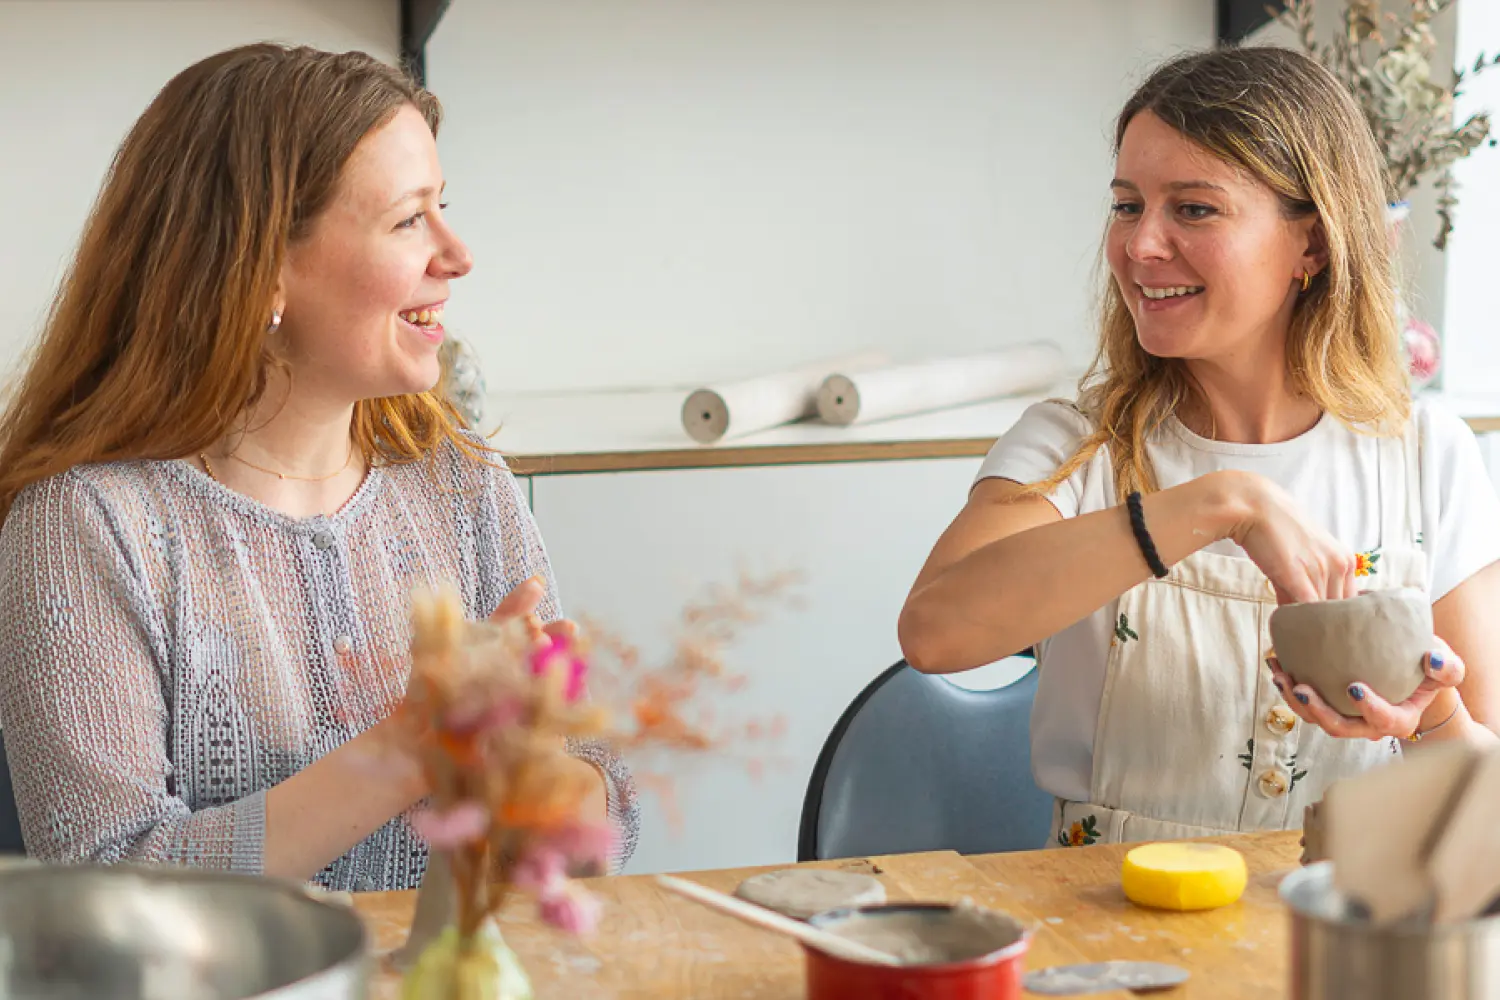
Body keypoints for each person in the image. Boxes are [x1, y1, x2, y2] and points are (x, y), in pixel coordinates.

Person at [0, 44, 638, 890]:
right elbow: (104, 887)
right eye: (410, 220)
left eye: (443, 208)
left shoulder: (463, 484)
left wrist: (543, 785)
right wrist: (412, 750)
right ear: (263, 265)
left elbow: (602, 805)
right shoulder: (84, 526)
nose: (457, 254)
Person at [898, 46, 1500, 847]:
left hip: (1345, 929)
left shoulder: (1427, 458)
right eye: (1126, 205)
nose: (1141, 245)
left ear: (1311, 247)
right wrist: (1222, 504)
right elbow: (935, 632)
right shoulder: (1075, 447)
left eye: (1193, 209)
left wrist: (1433, 717)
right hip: (1101, 936)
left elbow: (1487, 799)